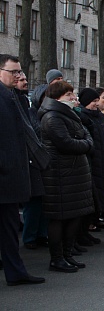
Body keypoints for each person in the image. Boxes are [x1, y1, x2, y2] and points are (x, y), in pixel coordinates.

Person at [38, 81, 94, 272]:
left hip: (74, 173)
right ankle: (57, 258)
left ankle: (68, 255)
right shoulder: (52, 117)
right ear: (56, 97)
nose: (73, 97)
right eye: (68, 94)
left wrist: (85, 142)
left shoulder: (69, 115)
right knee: (59, 218)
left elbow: (87, 135)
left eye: (72, 93)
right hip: (60, 175)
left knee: (74, 216)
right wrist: (85, 144)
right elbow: (66, 143)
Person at [0, 54, 45, 286]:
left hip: (12, 174)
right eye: (13, 72)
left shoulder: (15, 97)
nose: (19, 76)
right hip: (5, 173)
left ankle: (16, 272)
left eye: (20, 71)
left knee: (9, 229)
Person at [76, 88, 104, 247]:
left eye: (97, 100)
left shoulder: (100, 117)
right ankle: (82, 232)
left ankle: (88, 229)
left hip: (102, 161)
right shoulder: (83, 117)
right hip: (91, 162)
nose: (96, 104)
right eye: (93, 101)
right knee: (88, 200)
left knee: (98, 198)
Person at [22, 84, 49, 250]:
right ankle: (29, 236)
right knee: (33, 204)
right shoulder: (31, 113)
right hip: (34, 163)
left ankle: (42, 234)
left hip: (47, 162)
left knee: (45, 202)